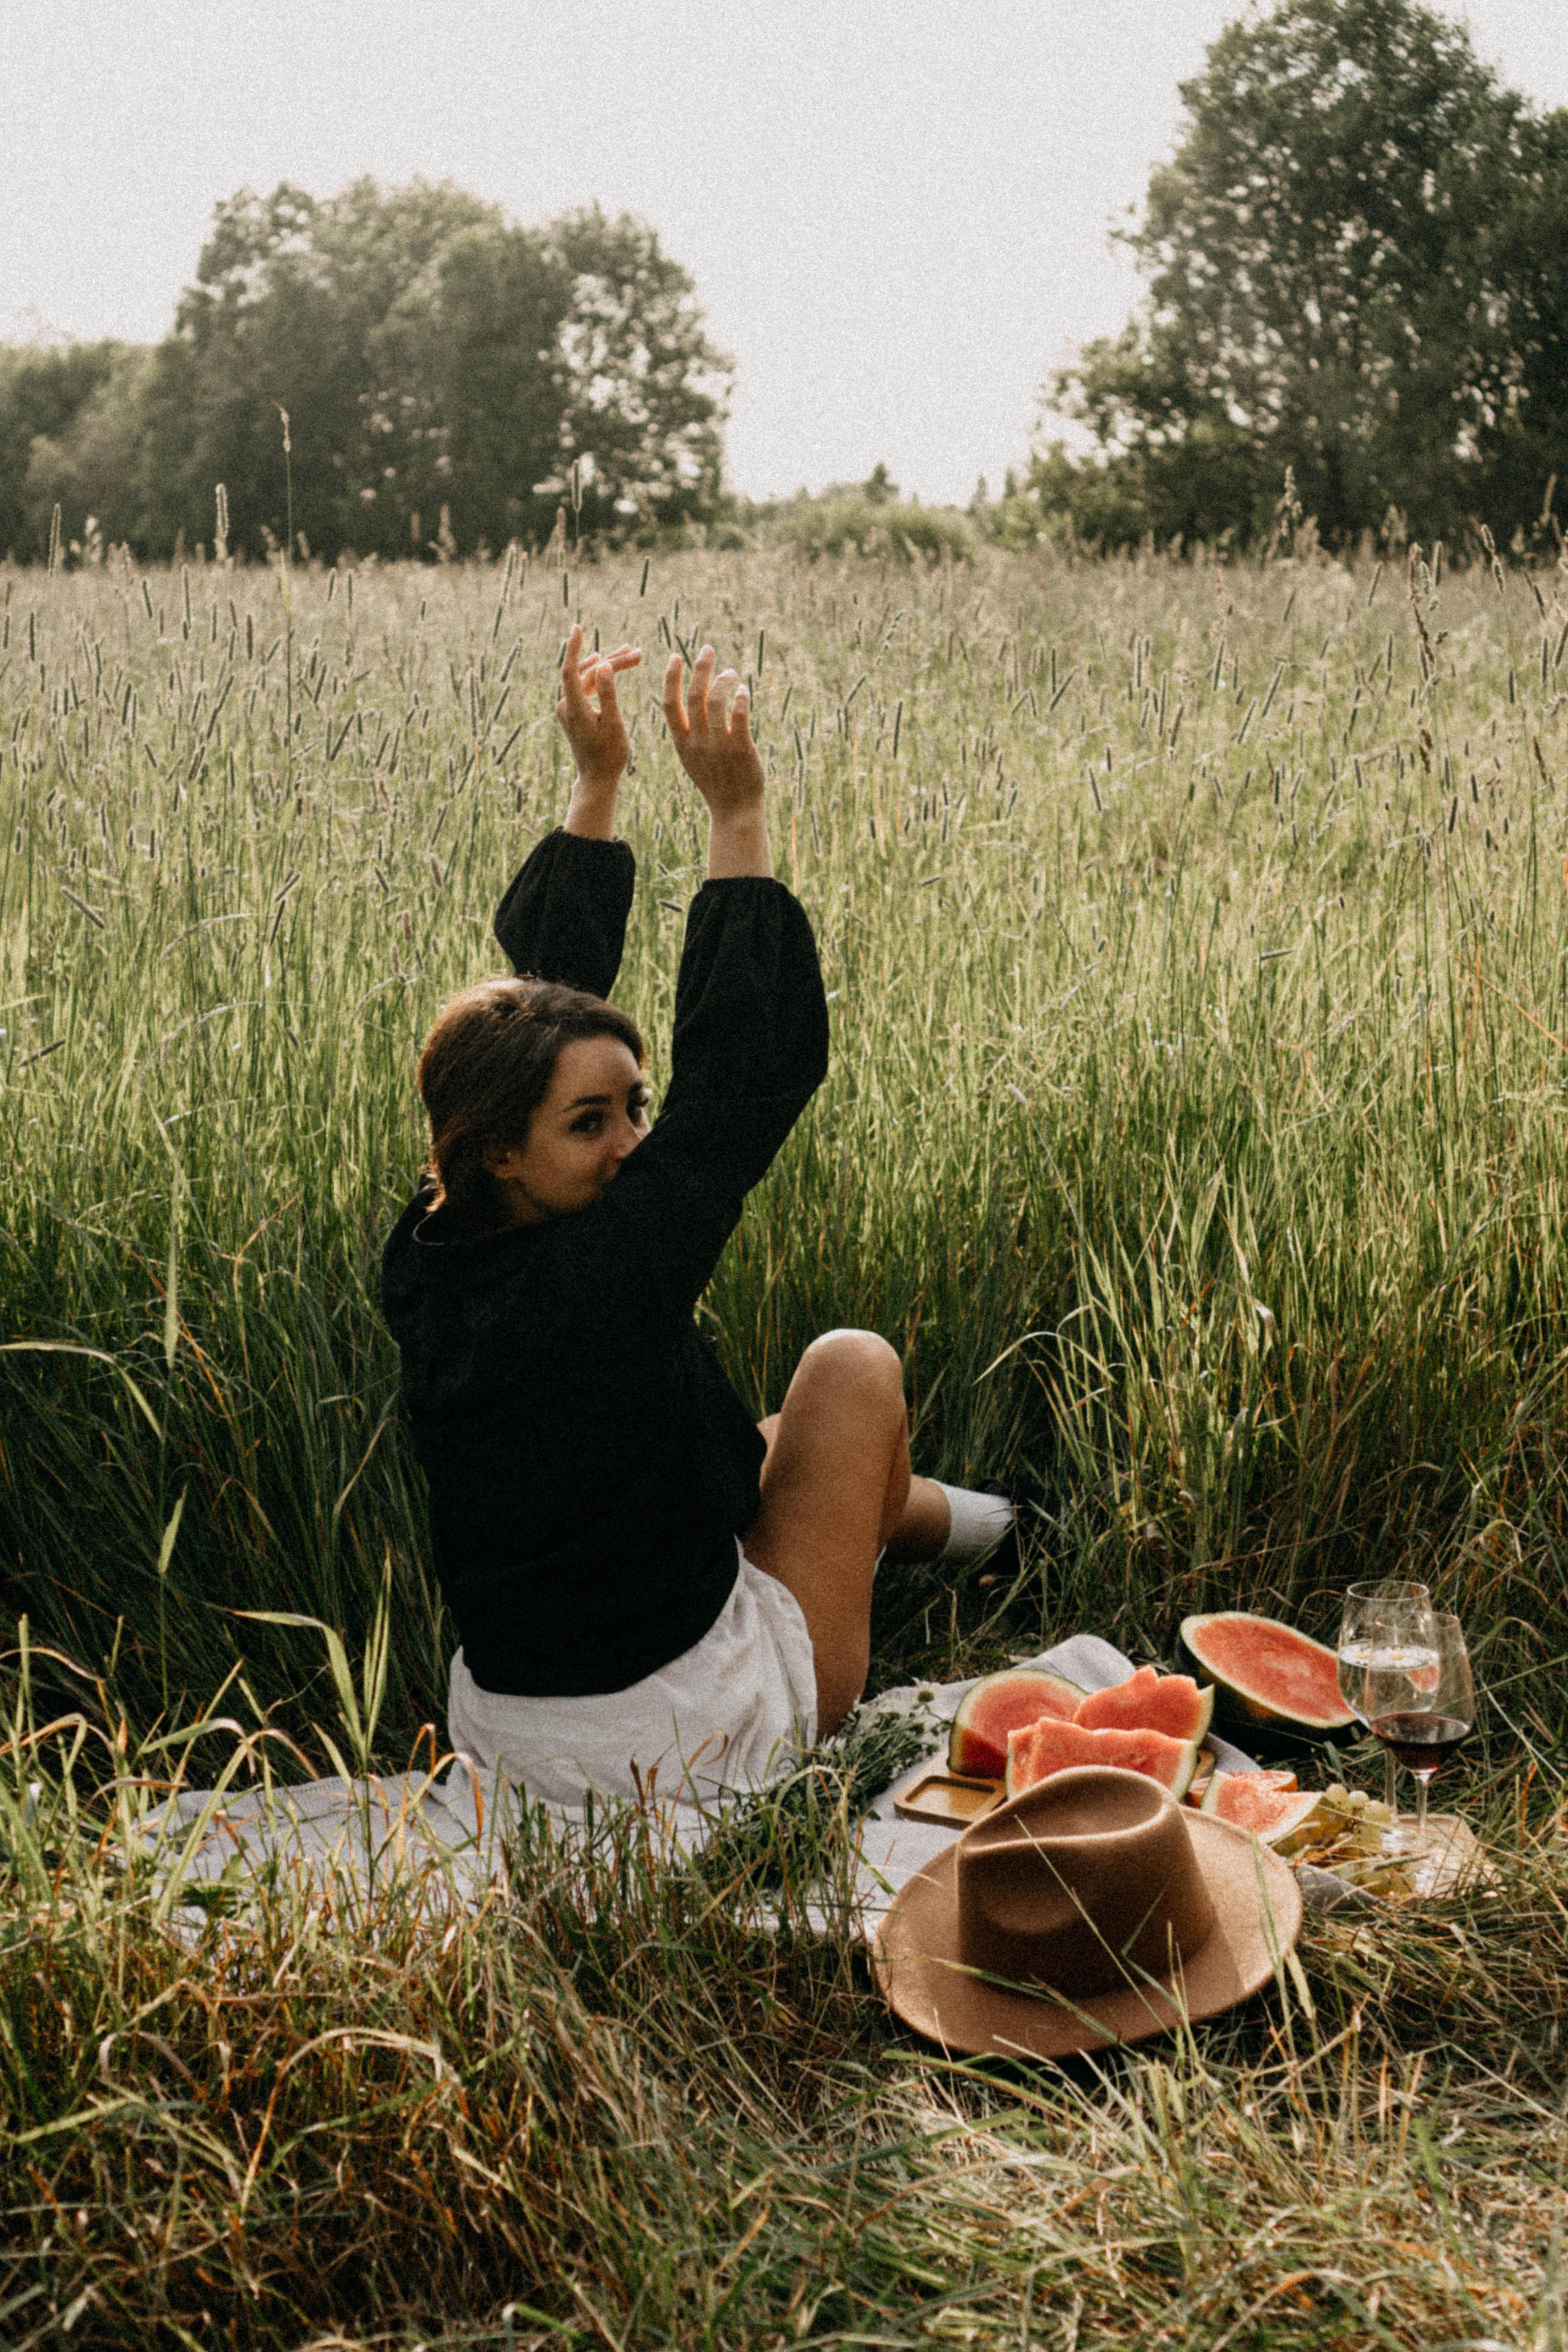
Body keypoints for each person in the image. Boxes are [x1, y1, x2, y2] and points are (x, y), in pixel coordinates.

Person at [380, 627, 1014, 1806]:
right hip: (691, 1736)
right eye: (592, 1124)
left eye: (638, 1105)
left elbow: (541, 1021)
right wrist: (737, 813)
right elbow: (743, 1079)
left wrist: (599, 785)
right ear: (503, 1147)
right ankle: (999, 1536)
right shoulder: (608, 1271)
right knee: (849, 1374)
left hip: (519, 1739)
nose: (634, 1145)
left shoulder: (429, 1249)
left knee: (759, 1443)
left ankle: (992, 1532)